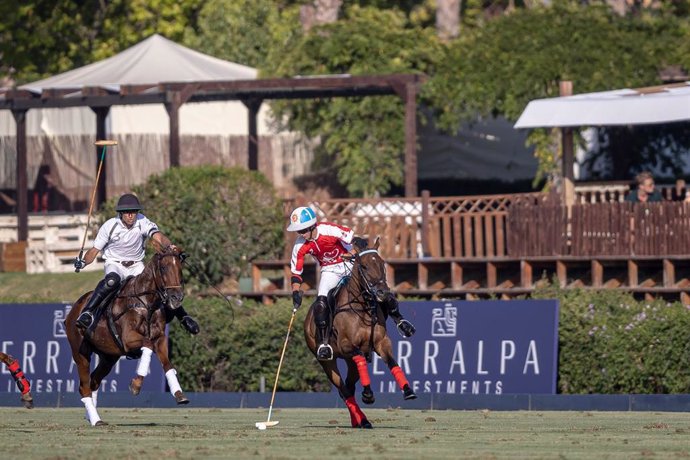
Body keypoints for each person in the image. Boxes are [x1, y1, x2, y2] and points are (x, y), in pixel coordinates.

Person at [287, 206, 415, 361]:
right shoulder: (299, 245)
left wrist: (352, 253)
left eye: (302, 230)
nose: (300, 234)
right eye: (298, 231)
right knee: (321, 302)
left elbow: (358, 241)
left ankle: (399, 320)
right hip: (329, 271)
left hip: (350, 265)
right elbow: (296, 272)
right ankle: (324, 344)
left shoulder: (329, 230)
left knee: (377, 287)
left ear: (312, 226)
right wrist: (295, 292)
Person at [73, 193, 199, 334]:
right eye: (127, 213)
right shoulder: (109, 226)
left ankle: (183, 317)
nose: (130, 216)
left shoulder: (142, 222)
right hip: (115, 263)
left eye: (133, 212)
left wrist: (170, 246)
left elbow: (158, 236)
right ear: (120, 213)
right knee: (111, 282)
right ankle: (88, 312)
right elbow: (94, 250)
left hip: (136, 265)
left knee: (158, 286)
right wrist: (83, 262)